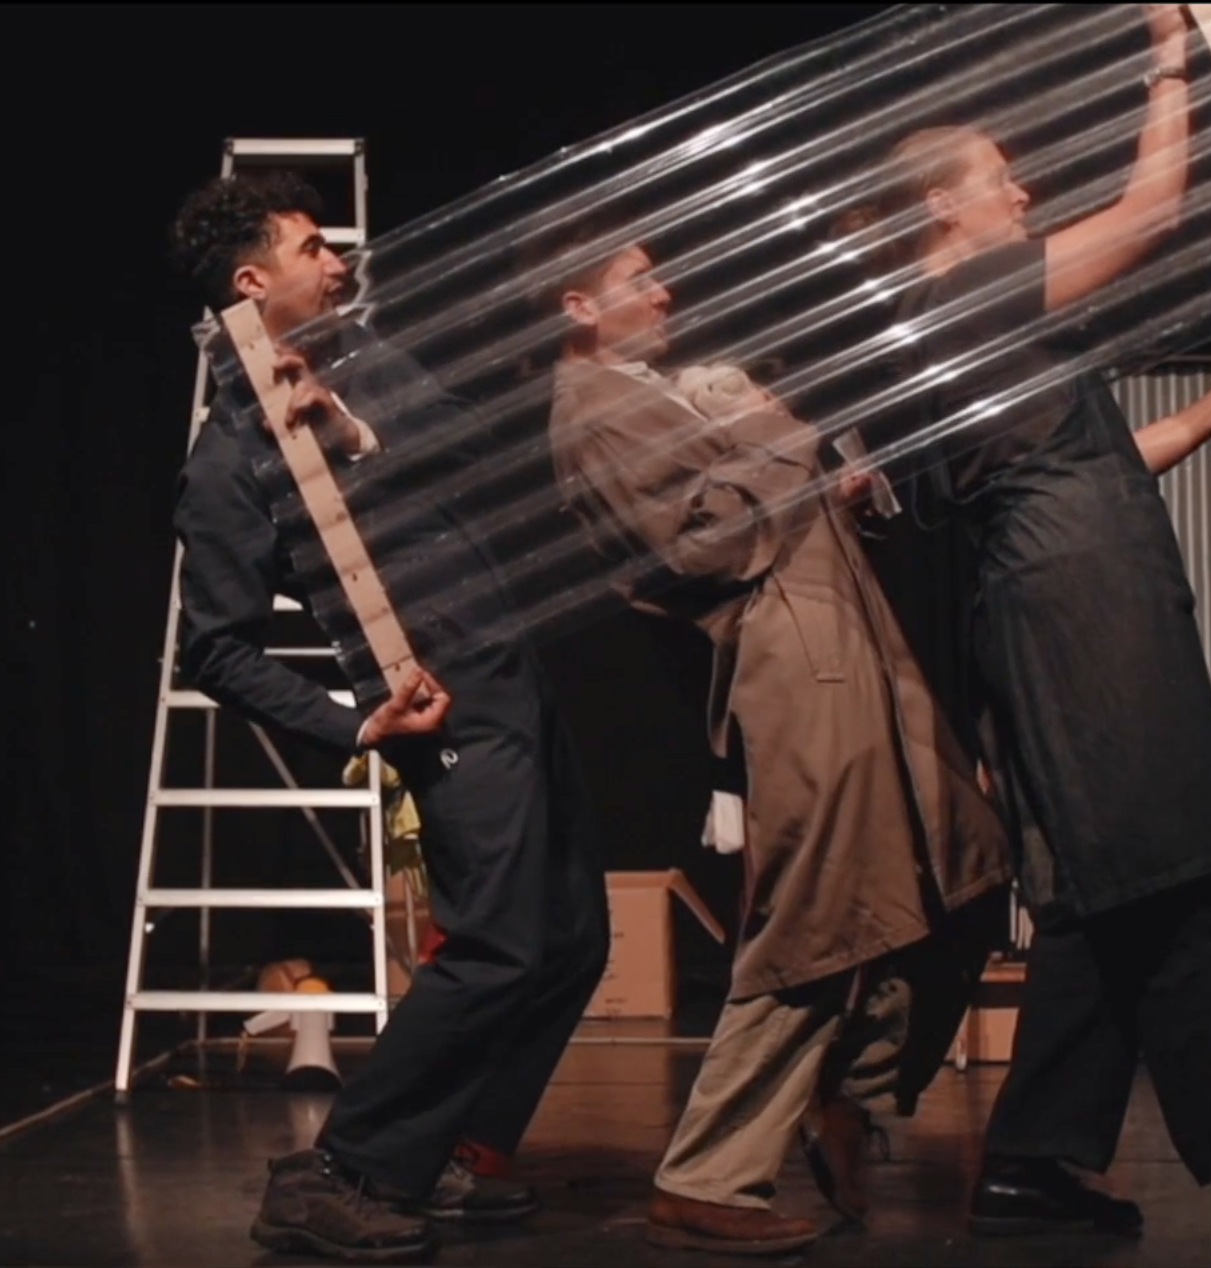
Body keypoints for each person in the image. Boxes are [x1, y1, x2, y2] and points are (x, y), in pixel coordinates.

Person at [870, 3, 1211, 1251]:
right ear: (942, 207)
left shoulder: (962, 319)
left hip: (1067, 601)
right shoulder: (964, 289)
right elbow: (1153, 214)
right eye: (999, 177)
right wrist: (1171, 51)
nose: (1021, 191)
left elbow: (1081, 466)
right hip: (1078, 620)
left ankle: (1029, 1161)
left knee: (1110, 895)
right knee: (1181, 879)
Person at [543, 231, 1013, 1255]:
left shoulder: (656, 391)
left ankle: (844, 1091)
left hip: (844, 652)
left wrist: (807, 475)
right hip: (796, 672)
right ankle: (707, 1174)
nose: (663, 293)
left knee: (965, 872)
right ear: (578, 305)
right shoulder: (595, 408)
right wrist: (775, 434)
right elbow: (698, 544)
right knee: (818, 921)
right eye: (636, 281)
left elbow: (740, 504)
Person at [170, 172, 609, 1262]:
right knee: (497, 941)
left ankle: (453, 1151)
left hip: (510, 675)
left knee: (571, 937)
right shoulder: (226, 460)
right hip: (441, 705)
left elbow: (466, 442)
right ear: (251, 280)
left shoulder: (358, 361)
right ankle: (339, 1171)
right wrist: (353, 728)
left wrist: (351, 420)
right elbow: (213, 648)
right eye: (312, 247)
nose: (337, 262)